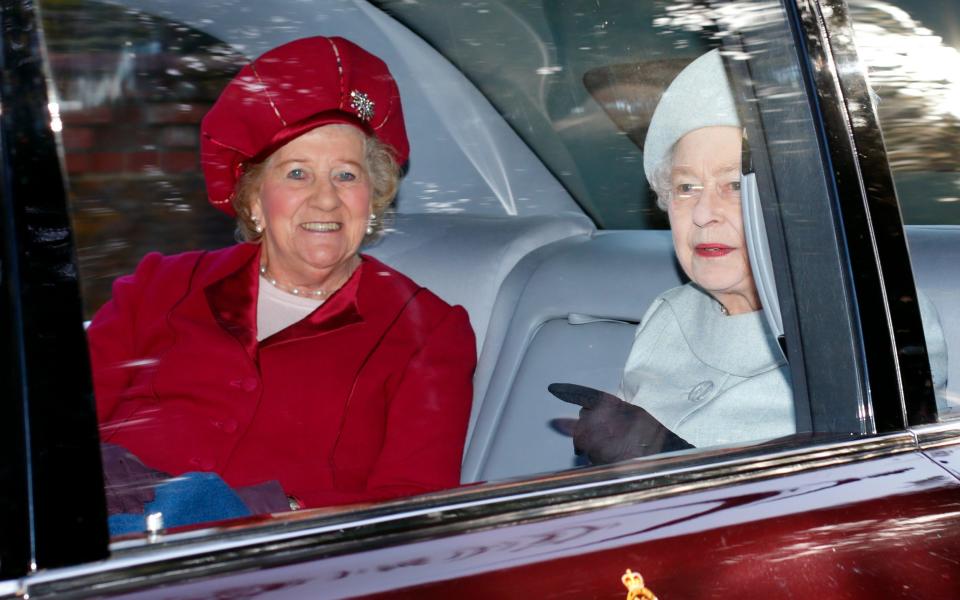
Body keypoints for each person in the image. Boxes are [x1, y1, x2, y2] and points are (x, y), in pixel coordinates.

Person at [87, 36, 476, 522]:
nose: (326, 199)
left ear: (373, 198)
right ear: (253, 199)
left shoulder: (429, 333)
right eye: (297, 174)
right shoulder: (159, 286)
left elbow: (419, 503)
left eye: (347, 176)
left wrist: (280, 509)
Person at [553, 49, 947, 465]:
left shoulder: (870, 327)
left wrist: (671, 457)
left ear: (807, 199)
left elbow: (864, 492)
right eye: (687, 188)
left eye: (735, 186)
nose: (703, 215)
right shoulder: (670, 313)